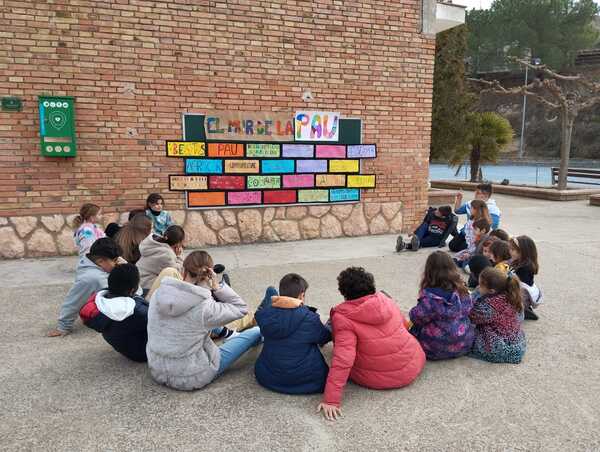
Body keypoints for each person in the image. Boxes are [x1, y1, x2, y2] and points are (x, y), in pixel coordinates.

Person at [318, 267, 425, 421]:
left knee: (336, 324)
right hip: (411, 364)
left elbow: (343, 360)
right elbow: (402, 325)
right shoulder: (386, 300)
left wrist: (331, 400)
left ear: (343, 292)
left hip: (377, 376)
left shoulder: (343, 317)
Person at [146, 250, 262, 391]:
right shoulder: (205, 307)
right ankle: (263, 324)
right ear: (209, 275)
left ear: (183, 271)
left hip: (157, 369)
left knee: (199, 325)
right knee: (255, 332)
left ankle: (230, 332)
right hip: (190, 376)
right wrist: (217, 287)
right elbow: (241, 308)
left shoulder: (158, 294)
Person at [254, 274, 332, 395]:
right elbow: (325, 337)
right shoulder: (310, 318)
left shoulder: (265, 315)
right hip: (306, 380)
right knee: (327, 327)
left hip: (268, 377)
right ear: (302, 295)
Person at [48, 238, 122, 337]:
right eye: (115, 260)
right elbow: (73, 301)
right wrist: (63, 326)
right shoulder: (91, 279)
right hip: (106, 311)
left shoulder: (92, 262)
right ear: (100, 261)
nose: (118, 263)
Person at [409, 251, 474, 360]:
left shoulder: (430, 298)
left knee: (413, 328)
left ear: (429, 272)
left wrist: (413, 311)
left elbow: (416, 318)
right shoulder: (462, 290)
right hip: (463, 343)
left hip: (434, 348)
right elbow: (469, 309)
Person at [79, 264, 148, 362]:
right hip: (143, 352)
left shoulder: (100, 300)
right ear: (132, 290)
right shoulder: (136, 311)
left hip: (126, 346)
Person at [469, 268, 526, 364]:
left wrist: (474, 295)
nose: (478, 287)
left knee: (467, 332)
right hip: (517, 345)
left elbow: (471, 316)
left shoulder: (489, 305)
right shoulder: (510, 296)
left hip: (499, 349)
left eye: (480, 286)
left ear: (491, 291)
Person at [450, 184, 501, 252]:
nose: (475, 195)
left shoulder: (493, 209)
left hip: (478, 235)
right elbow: (457, 211)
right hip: (466, 232)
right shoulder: (471, 203)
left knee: (465, 248)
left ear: (485, 195)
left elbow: (493, 226)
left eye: (477, 193)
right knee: (452, 246)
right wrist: (459, 198)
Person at [137, 225, 185, 292]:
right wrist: (179, 256)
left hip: (139, 281)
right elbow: (177, 272)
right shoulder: (166, 255)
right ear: (178, 244)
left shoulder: (154, 242)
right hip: (146, 288)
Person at [509, 235, 542, 320]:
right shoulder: (520, 262)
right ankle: (524, 308)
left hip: (521, 296)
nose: (510, 251)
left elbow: (517, 285)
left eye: (513, 249)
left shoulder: (524, 268)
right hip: (522, 294)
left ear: (523, 252)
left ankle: (522, 310)